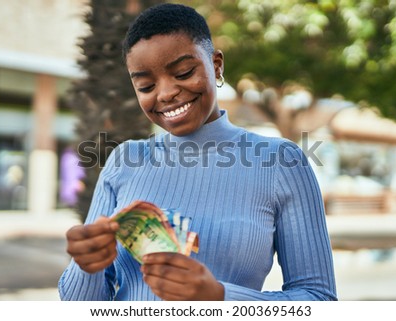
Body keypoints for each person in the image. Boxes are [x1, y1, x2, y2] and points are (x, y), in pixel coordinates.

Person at [58, 3, 337, 301]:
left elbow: (318, 299)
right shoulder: (124, 162)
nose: (165, 93)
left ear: (216, 65)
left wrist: (218, 297)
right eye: (146, 85)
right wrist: (85, 266)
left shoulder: (281, 162)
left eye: (183, 72)